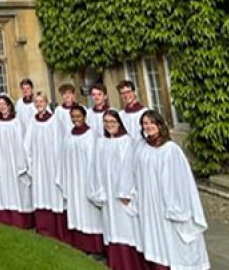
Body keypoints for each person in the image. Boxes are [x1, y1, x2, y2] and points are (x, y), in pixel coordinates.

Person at [127, 111, 210, 270]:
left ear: (159, 125)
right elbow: (135, 173)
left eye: (151, 123)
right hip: (150, 205)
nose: (148, 126)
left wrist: (175, 207)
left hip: (168, 205)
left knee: (175, 242)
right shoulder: (142, 148)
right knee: (158, 242)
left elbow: (180, 181)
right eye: (145, 123)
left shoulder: (171, 149)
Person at [90, 110, 144, 270]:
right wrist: (98, 190)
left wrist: (127, 192)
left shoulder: (128, 142)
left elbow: (131, 168)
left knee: (126, 227)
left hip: (123, 194)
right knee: (111, 226)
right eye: (106, 122)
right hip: (107, 193)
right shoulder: (101, 143)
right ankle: (115, 261)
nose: (109, 125)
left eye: (112, 121)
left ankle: (130, 263)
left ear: (119, 122)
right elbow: (96, 168)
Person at [57, 104, 105, 255]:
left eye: (78, 116)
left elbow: (96, 160)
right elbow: (63, 158)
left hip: (87, 180)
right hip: (73, 180)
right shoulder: (68, 135)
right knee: (77, 211)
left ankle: (95, 247)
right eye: (73, 117)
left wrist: (94, 182)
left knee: (90, 213)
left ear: (84, 116)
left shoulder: (92, 135)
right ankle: (80, 243)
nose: (75, 119)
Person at [25, 92, 68, 242]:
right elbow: (27, 145)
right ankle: (43, 228)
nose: (38, 104)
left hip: (52, 164)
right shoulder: (33, 121)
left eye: (41, 101)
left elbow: (59, 143)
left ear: (46, 101)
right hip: (38, 165)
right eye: (36, 102)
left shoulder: (54, 121)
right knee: (41, 193)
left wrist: (57, 165)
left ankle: (57, 230)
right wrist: (30, 163)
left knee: (53, 193)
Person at [0, 95, 33, 229]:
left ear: (9, 106)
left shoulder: (17, 122)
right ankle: (6, 218)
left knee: (18, 190)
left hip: (15, 161)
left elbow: (22, 143)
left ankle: (20, 220)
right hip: (2, 161)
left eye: (4, 104)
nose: (2, 107)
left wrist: (22, 164)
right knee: (4, 189)